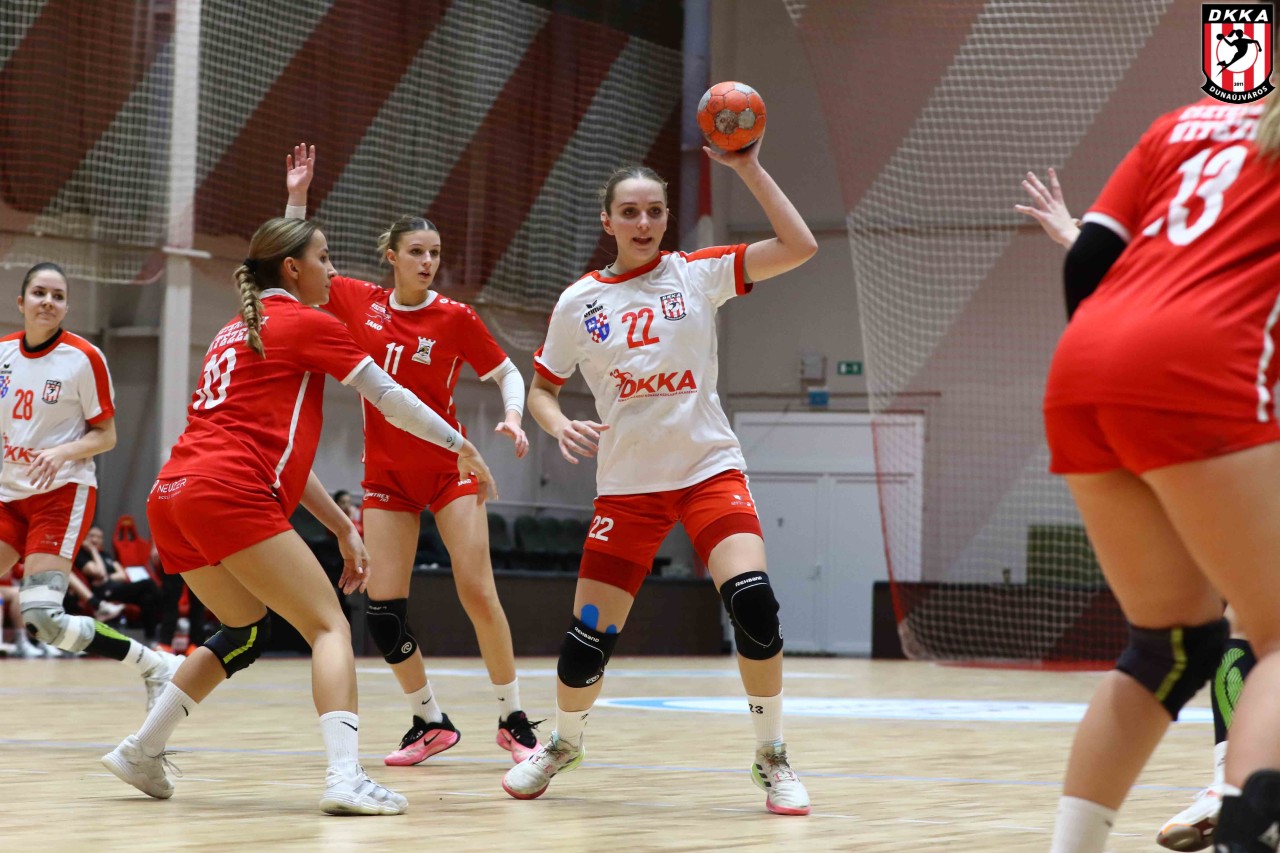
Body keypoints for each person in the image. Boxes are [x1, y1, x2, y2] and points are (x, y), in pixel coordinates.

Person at [100, 217, 498, 816]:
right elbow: (392, 398)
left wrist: (341, 527)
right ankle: (345, 777)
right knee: (329, 626)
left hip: (173, 495)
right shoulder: (308, 323)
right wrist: (460, 445)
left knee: (242, 632)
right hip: (229, 493)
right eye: (325, 258)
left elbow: (280, 459)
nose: (333, 270)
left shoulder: (235, 328)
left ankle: (142, 749)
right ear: (293, 268)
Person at [501, 136, 818, 815]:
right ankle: (563, 742)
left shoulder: (697, 274)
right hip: (628, 488)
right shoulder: (578, 302)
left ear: (667, 217)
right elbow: (542, 388)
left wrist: (748, 166)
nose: (643, 223)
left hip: (708, 470)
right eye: (630, 212)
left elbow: (800, 245)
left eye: (654, 211)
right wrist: (555, 423)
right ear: (607, 221)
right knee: (587, 639)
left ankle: (772, 755)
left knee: (755, 605)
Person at [1035, 97, 1280, 853]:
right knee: (1275, 637)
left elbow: (1086, 259)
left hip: (1084, 365)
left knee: (1169, 647)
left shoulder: (1180, 124)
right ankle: (1244, 828)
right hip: (1204, 368)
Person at [283, 144, 541, 765]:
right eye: (417, 252)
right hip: (387, 479)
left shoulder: (455, 318)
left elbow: (508, 372)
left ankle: (513, 719)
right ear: (392, 257)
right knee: (383, 613)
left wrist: (512, 416)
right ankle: (430, 721)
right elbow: (290, 266)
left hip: (451, 472)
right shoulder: (358, 302)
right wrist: (297, 197)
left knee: (477, 591)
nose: (428, 262)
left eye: (435, 254)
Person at [1, 263, 180, 700]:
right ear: (21, 302)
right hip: (9, 496)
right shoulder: (3, 353)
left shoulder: (84, 358)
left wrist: (61, 452)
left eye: (58, 296)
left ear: (66, 307)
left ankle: (153, 664)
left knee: (43, 619)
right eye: (39, 293)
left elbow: (107, 435)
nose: (48, 302)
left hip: (60, 495)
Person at [75, 525, 161, 643]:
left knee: (147, 598)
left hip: (118, 588)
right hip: (104, 593)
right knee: (148, 584)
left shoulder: (106, 555)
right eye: (91, 536)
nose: (95, 539)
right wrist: (94, 551)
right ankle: (166, 609)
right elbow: (99, 572)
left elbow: (123, 575)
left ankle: (150, 640)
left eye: (99, 537)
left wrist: (107, 577)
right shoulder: (82, 555)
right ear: (85, 538)